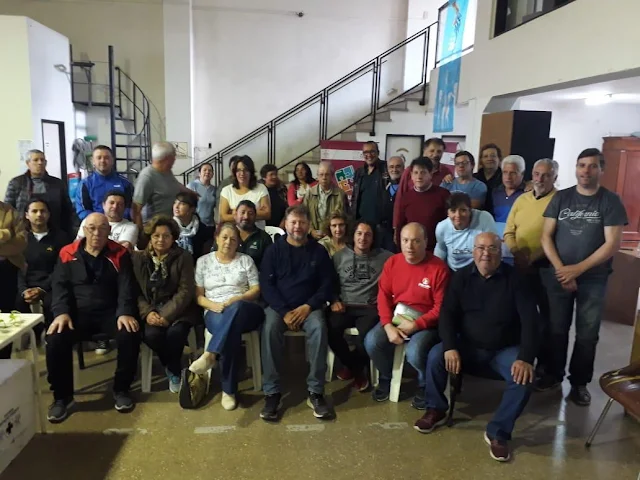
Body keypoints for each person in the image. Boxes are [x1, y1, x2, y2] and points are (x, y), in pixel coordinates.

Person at [414, 232, 539, 463]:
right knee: (435, 356)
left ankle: (498, 432)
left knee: (524, 378)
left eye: (492, 248)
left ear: (500, 251)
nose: (486, 253)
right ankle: (436, 409)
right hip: (467, 346)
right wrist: (450, 346)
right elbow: (447, 315)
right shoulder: (460, 278)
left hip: (503, 350)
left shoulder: (517, 280)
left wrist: (525, 357)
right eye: (481, 248)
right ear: (473, 251)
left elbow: (531, 321)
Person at [539, 148, 627, 406]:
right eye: (581, 165)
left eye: (592, 166)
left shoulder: (610, 201)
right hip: (559, 274)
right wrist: (562, 270)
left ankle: (579, 383)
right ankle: (553, 375)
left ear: (602, 170)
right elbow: (546, 236)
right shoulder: (561, 198)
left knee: (587, 334)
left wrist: (577, 269)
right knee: (556, 329)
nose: (585, 171)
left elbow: (612, 244)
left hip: (593, 279)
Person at [46, 213, 141, 423]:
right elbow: (59, 286)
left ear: (109, 231)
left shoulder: (120, 253)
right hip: (76, 314)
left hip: (110, 313)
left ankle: (121, 389)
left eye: (102, 228)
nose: (96, 233)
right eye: (91, 228)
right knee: (55, 338)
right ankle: (62, 398)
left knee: (130, 333)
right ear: (84, 230)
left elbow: (126, 287)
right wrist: (61, 313)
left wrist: (124, 312)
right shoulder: (67, 253)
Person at [259, 205, 335, 421]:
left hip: (309, 308)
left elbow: (327, 284)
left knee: (319, 328)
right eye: (293, 222)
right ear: (285, 224)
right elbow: (267, 286)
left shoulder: (318, 251)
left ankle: (316, 391)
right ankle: (272, 392)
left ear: (309, 225)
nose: (297, 226)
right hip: (279, 308)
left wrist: (308, 306)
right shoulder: (273, 251)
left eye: (302, 222)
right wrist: (284, 312)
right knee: (269, 328)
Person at [365, 223, 450, 408]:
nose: (410, 246)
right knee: (372, 342)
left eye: (416, 241)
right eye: (405, 240)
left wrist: (416, 325)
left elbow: (441, 308)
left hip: (427, 321)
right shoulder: (392, 263)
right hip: (398, 317)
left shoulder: (438, 268)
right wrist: (387, 325)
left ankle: (424, 384)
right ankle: (387, 377)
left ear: (426, 242)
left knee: (415, 352)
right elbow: (383, 296)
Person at [189, 223, 265, 411]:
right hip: (214, 310)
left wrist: (238, 298)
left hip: (246, 309)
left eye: (233, 239)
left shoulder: (245, 260)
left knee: (235, 309)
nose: (228, 242)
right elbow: (198, 297)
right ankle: (228, 391)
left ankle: (211, 354)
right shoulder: (203, 262)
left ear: (238, 242)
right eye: (224, 237)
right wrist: (214, 306)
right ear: (216, 238)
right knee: (230, 330)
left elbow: (256, 289)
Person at [132, 215, 200, 394]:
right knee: (151, 335)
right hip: (151, 309)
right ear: (150, 237)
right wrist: (148, 312)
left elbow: (185, 291)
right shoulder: (139, 258)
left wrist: (166, 315)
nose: (161, 240)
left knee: (175, 334)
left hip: (179, 310)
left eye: (166, 236)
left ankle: (174, 370)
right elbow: (136, 291)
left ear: (173, 237)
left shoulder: (184, 257)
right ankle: (173, 366)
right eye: (156, 236)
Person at [503, 158, 558, 379]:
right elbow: (509, 231)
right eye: (537, 174)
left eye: (546, 175)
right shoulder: (522, 199)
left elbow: (557, 237)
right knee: (520, 314)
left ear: (555, 177)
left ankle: (545, 366)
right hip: (519, 265)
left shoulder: (559, 200)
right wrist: (516, 253)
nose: (540, 179)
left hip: (546, 268)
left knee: (547, 319)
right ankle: (519, 357)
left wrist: (531, 259)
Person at [328, 221, 393, 391]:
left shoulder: (386, 257)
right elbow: (329, 283)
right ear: (353, 236)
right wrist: (334, 300)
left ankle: (353, 368)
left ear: (373, 238)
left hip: (369, 308)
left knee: (366, 337)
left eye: (367, 234)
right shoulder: (339, 257)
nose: (363, 238)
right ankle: (356, 368)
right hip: (344, 305)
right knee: (329, 329)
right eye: (359, 233)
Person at [17, 197, 69, 338]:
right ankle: (32, 335)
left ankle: (52, 338)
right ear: (27, 215)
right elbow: (17, 268)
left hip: (52, 285)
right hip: (27, 285)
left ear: (49, 214)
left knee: (53, 302)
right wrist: (23, 290)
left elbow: (62, 268)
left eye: (43, 211)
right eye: (34, 211)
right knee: (17, 301)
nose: (39, 214)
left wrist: (42, 289)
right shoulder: (20, 239)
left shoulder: (61, 238)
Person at [5, 149, 78, 236]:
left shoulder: (58, 184)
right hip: (23, 232)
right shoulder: (16, 183)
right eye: (36, 160)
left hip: (54, 231)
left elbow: (68, 210)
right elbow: (8, 210)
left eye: (42, 160)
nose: (40, 163)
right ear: (28, 163)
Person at [393, 138, 454, 235]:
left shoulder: (446, 172)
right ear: (424, 151)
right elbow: (400, 198)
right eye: (432, 151)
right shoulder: (409, 171)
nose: (435, 154)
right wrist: (396, 226)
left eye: (439, 151)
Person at [394, 157, 450, 251]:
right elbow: (400, 225)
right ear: (411, 175)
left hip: (437, 249)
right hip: (411, 249)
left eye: (423, 172)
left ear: (431, 174)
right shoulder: (406, 197)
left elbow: (449, 225)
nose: (419, 177)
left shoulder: (443, 195)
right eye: (415, 173)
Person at [434, 193, 497, 271]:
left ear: (470, 210)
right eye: (453, 211)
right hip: (454, 270)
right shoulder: (442, 227)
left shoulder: (484, 218)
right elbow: (441, 249)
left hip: (478, 270)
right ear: (448, 213)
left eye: (463, 210)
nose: (458, 215)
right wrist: (435, 269)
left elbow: (493, 247)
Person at [132, 142, 184, 232]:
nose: (175, 159)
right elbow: (136, 209)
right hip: (154, 229)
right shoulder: (147, 177)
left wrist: (191, 192)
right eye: (173, 156)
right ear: (167, 159)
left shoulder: (166, 171)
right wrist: (141, 234)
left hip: (168, 226)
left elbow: (174, 184)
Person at [74, 145, 134, 221]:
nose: (102, 160)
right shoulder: (85, 184)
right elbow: (83, 211)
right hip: (95, 224)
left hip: (120, 224)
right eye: (99, 158)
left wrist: (114, 219)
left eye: (106, 158)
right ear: (93, 161)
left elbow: (130, 208)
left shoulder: (125, 183)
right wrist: (102, 221)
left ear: (112, 160)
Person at [351, 142, 393, 247]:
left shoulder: (387, 168)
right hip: (362, 226)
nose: (369, 155)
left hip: (382, 226)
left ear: (378, 153)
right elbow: (354, 198)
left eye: (372, 151)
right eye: (365, 152)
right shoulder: (359, 172)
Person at [0, 197, 27, 359]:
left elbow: (21, 242)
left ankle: (4, 356)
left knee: (7, 312)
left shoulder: (10, 211)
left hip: (8, 268)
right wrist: (7, 234)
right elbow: (12, 239)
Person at [489, 155, 527, 265]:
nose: (508, 177)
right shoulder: (495, 192)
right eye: (505, 172)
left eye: (513, 173)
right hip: (497, 248)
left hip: (518, 247)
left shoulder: (528, 194)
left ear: (522, 174)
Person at [219, 156, 271, 230]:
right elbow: (223, 217)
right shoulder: (227, 191)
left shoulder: (261, 188)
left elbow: (267, 214)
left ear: (251, 172)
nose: (242, 173)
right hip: (235, 234)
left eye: (246, 170)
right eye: (238, 170)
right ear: (234, 173)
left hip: (257, 234)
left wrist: (235, 212)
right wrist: (256, 212)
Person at [303, 161, 349, 239]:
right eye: (321, 174)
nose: (324, 177)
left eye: (327, 174)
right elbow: (304, 216)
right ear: (317, 176)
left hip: (333, 238)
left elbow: (345, 218)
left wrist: (330, 232)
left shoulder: (340, 194)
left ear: (332, 176)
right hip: (312, 237)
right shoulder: (309, 193)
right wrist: (311, 231)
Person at [172, 191, 213, 261]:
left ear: (192, 209)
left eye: (182, 204)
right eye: (175, 203)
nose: (176, 206)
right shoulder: (169, 227)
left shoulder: (202, 230)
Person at [381, 156, 404, 252]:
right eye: (391, 167)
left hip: (400, 235)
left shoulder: (408, 187)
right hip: (384, 235)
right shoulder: (384, 186)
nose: (394, 169)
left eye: (398, 166)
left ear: (403, 168)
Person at [187, 162, 216, 227]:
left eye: (210, 170)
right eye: (204, 170)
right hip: (194, 225)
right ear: (199, 173)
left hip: (210, 225)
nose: (207, 172)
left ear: (212, 174)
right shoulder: (192, 186)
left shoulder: (214, 189)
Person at [260, 163, 288, 228]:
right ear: (264, 177)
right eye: (271, 174)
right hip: (263, 226)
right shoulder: (259, 191)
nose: (274, 177)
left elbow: (288, 207)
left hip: (281, 226)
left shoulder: (282, 189)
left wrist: (284, 222)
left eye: (275, 174)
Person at [215, 156, 240, 223]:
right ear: (230, 168)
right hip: (228, 220)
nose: (235, 168)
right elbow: (219, 202)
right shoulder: (225, 183)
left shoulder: (245, 182)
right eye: (233, 166)